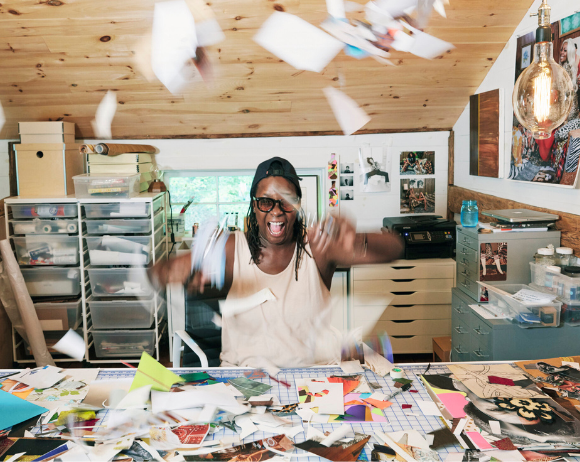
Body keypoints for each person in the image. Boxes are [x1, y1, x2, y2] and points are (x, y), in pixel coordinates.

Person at [149, 157, 404, 369]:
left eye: (286, 201)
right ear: (254, 205)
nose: (276, 210)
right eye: (266, 201)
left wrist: (354, 240)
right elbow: (159, 273)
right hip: (245, 379)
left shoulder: (317, 246)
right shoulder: (229, 248)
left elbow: (395, 247)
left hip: (314, 378)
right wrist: (180, 273)